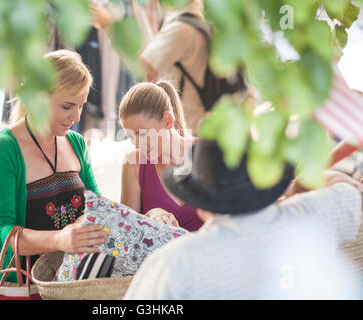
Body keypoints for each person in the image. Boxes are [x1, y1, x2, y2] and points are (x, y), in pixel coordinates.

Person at [124, 138, 363, 299]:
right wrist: (299, 187)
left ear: (203, 207)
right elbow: (347, 188)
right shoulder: (312, 217)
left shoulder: (176, 263)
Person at [0, 50, 106, 293]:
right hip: (20, 285)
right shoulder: (3, 149)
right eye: (68, 106)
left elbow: (97, 206)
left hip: (71, 285)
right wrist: (59, 240)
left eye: (81, 106)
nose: (77, 116)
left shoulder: (76, 144)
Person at [119, 81, 204, 231]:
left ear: (167, 121)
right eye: (131, 136)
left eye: (142, 133)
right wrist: (149, 216)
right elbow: (126, 232)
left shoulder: (206, 154)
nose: (137, 144)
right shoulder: (134, 164)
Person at [138, 0, 208, 134]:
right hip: (200, 122)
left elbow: (144, 66)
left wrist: (111, 28)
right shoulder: (199, 20)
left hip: (188, 127)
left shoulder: (180, 28)